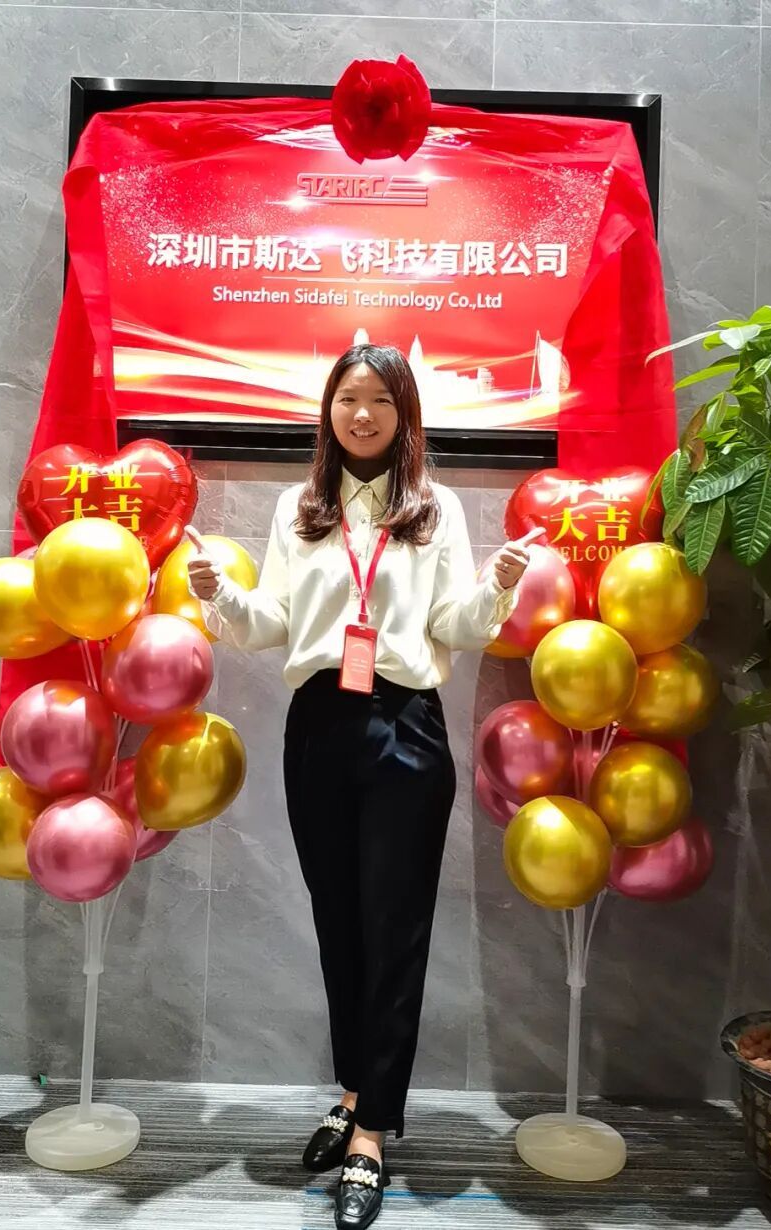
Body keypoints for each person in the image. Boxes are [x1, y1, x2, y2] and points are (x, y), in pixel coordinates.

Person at [185, 343, 534, 1230]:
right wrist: (219, 594)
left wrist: (496, 588)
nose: (363, 414)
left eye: (380, 399)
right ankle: (352, 1092)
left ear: (403, 412)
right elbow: (271, 623)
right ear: (329, 411)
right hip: (319, 726)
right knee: (338, 920)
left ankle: (372, 1133)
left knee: (394, 930)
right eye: (349, 398)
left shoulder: (433, 508)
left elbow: (456, 623)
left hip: (406, 725)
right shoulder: (299, 508)